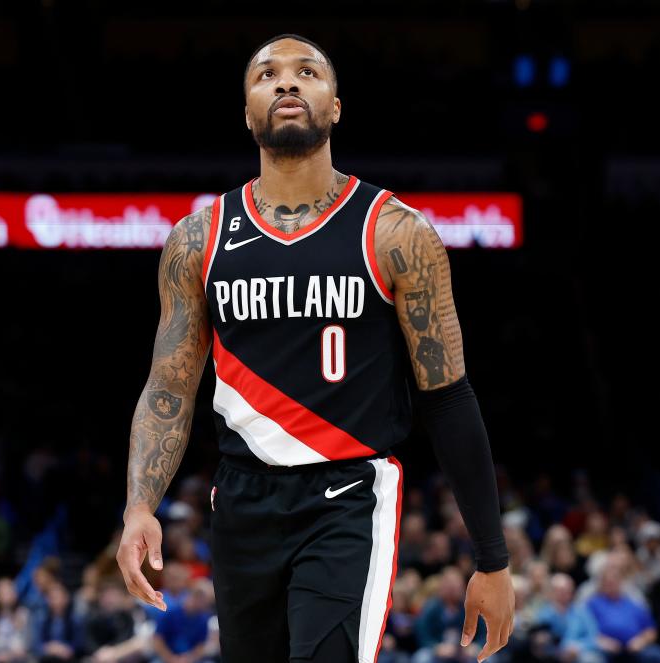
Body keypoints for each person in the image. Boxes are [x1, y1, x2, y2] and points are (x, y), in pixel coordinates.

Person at [116, 33, 514, 663]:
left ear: (335, 107)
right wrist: (140, 505)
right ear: (247, 111)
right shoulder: (198, 239)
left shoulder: (395, 232)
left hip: (348, 496)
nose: (287, 83)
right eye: (266, 75)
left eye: (307, 72)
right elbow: (168, 387)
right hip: (241, 500)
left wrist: (492, 559)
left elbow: (448, 395)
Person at [585, 567, 660, 663]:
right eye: (608, 582)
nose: (611, 584)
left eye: (614, 580)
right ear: (602, 584)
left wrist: (641, 641)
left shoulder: (634, 604)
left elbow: (651, 631)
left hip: (634, 648)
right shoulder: (592, 604)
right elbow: (584, 631)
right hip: (604, 649)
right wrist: (602, 642)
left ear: (621, 582)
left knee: (658, 655)